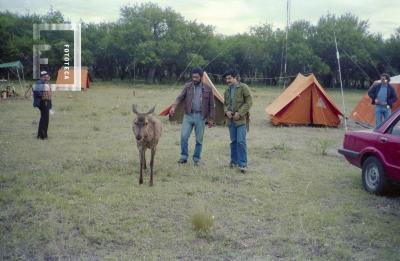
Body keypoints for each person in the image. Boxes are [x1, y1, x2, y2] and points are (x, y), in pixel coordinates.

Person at [170, 67, 215, 166]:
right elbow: (180, 97)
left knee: (199, 139)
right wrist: (173, 107)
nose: (194, 79)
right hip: (188, 115)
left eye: (196, 77)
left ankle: (196, 159)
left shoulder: (208, 88)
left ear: (201, 77)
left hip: (201, 117)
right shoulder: (187, 86)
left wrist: (211, 118)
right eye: (193, 77)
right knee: (184, 137)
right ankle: (183, 157)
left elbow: (211, 105)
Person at [223, 69, 252, 173]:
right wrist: (226, 112)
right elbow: (225, 104)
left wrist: (239, 113)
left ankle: (243, 164)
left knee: (241, 142)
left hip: (241, 120)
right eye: (226, 78)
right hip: (231, 121)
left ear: (236, 77)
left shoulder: (243, 87)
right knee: (233, 142)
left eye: (229, 78)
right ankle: (234, 161)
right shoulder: (227, 90)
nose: (228, 80)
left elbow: (249, 102)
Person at [33, 71, 52, 140]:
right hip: (42, 102)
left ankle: (40, 135)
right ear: (41, 77)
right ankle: (43, 136)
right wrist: (43, 96)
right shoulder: (39, 82)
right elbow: (36, 92)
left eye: (47, 76)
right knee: (45, 119)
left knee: (44, 118)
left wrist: (50, 105)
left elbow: (49, 95)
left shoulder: (46, 83)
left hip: (46, 102)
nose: (46, 77)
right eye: (44, 76)